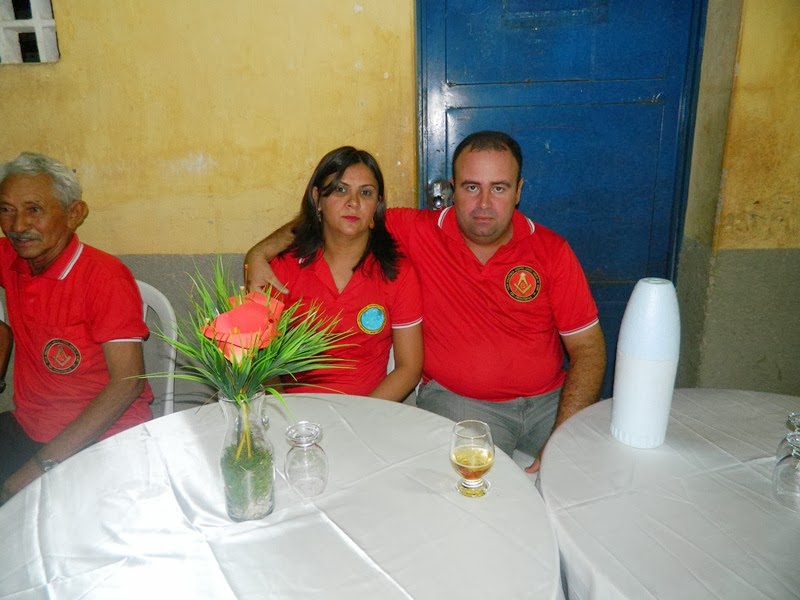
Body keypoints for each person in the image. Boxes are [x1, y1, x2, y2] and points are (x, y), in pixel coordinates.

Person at [245, 132, 606, 472]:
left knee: (596, 473)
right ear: (452, 189)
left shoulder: (552, 251)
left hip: (550, 401)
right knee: (475, 492)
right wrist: (259, 252)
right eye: (471, 187)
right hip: (463, 403)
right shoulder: (415, 229)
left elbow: (588, 349)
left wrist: (563, 433)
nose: (484, 203)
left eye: (499, 188)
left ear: (518, 191)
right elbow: (334, 219)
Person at [0, 152, 152, 504]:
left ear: (74, 214)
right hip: (30, 426)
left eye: (34, 209)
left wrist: (36, 469)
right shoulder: (12, 258)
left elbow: (128, 384)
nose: (18, 225)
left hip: (104, 437)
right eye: (6, 209)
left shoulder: (105, 278)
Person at [266, 146, 423, 401]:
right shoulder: (284, 268)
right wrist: (285, 411)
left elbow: (409, 368)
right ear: (317, 199)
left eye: (366, 192)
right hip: (297, 413)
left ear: (377, 205)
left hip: (370, 410)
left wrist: (363, 416)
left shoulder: (397, 272)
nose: (354, 203)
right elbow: (262, 360)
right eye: (340, 189)